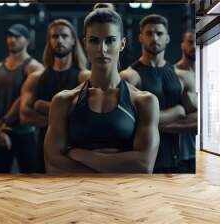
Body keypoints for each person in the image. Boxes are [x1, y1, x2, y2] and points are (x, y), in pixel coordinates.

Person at [44, 7, 160, 174]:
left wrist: (79, 154)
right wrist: (119, 162)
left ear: (122, 44)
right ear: (85, 43)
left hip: (124, 195)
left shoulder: (144, 101)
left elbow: (143, 165)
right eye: (94, 41)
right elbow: (54, 166)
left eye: (110, 40)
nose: (102, 49)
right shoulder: (64, 101)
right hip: (78, 195)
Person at [120, 14, 189, 173]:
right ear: (141, 38)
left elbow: (196, 119)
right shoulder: (130, 76)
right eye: (149, 33)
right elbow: (130, 123)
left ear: (168, 38)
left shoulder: (181, 76)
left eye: (159, 33)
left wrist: (152, 123)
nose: (154, 37)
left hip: (178, 161)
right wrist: (178, 111)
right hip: (145, 163)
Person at [20, 19, 90, 172]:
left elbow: (88, 117)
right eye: (55, 36)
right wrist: (65, 118)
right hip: (43, 149)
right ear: (49, 41)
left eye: (64, 36)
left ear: (73, 41)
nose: (59, 40)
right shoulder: (35, 78)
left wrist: (41, 106)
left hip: (76, 150)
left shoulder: (85, 77)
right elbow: (24, 116)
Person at [0, 24, 43, 173]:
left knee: (30, 177)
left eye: (17, 36)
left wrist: (1, 123)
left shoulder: (35, 68)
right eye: (9, 36)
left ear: (27, 40)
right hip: (0, 132)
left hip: (24, 132)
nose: (12, 39)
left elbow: (24, 99)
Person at [171, 31, 197, 173]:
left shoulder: (209, 74)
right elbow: (175, 116)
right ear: (183, 45)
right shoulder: (173, 74)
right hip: (182, 154)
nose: (194, 46)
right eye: (190, 42)